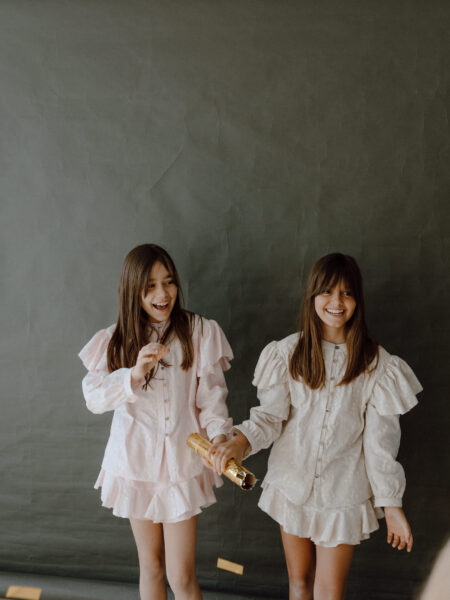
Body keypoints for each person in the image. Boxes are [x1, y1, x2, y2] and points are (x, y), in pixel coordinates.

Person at [208, 253, 422, 600]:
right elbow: (270, 417)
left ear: (358, 300)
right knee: (300, 581)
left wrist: (392, 505)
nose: (337, 302)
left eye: (347, 293)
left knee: (329, 590)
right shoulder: (287, 353)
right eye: (327, 291)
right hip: (292, 485)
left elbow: (380, 445)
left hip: (343, 494)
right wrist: (239, 442)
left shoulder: (377, 366)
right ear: (312, 295)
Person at [79, 244, 233, 600]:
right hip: (136, 464)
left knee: (181, 575)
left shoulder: (199, 331)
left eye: (169, 282)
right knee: (151, 566)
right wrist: (133, 374)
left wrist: (220, 437)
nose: (162, 294)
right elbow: (93, 398)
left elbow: (211, 399)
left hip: (181, 465)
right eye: (150, 286)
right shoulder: (115, 339)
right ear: (133, 289)